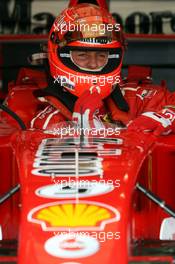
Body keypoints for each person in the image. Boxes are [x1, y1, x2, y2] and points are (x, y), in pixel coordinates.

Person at [30, 2, 175, 136]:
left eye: (101, 55)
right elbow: (11, 135)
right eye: (82, 55)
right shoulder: (31, 104)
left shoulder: (135, 97)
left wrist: (168, 116)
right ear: (59, 54)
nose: (93, 63)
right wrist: (70, 133)